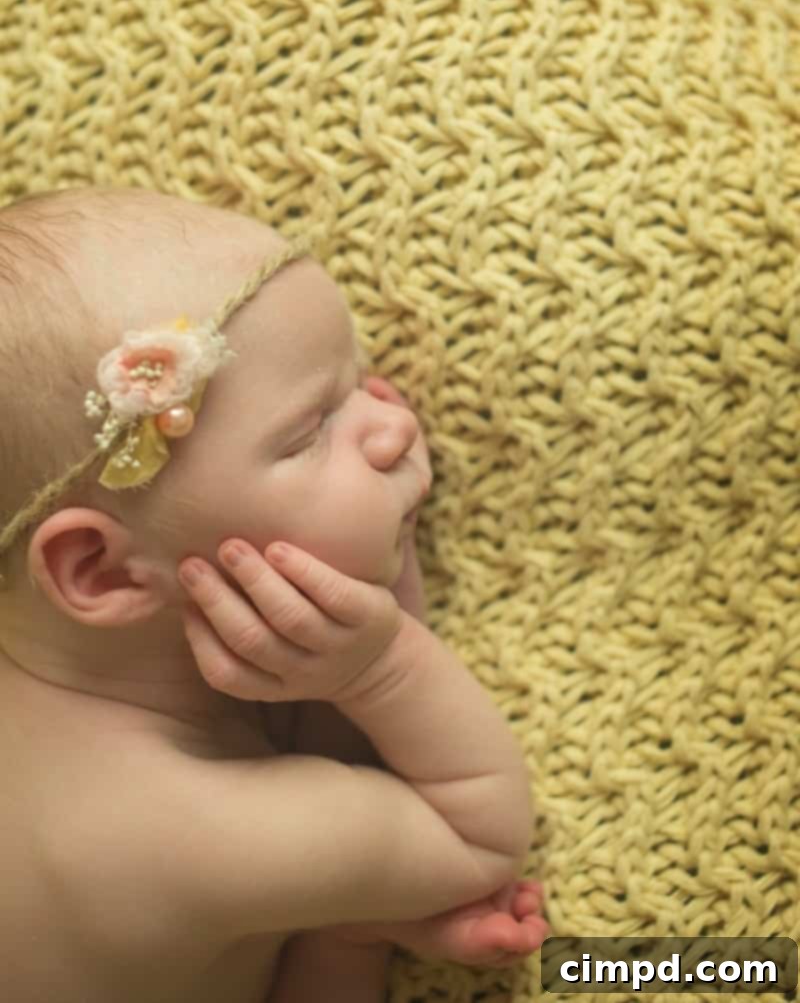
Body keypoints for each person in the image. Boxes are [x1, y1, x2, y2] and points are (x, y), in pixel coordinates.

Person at [0, 186, 548, 1003]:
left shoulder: (94, 680)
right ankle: (347, 923)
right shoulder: (191, 832)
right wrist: (381, 666)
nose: (394, 424)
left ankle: (344, 915)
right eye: (310, 429)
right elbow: (477, 842)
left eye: (358, 384)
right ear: (103, 571)